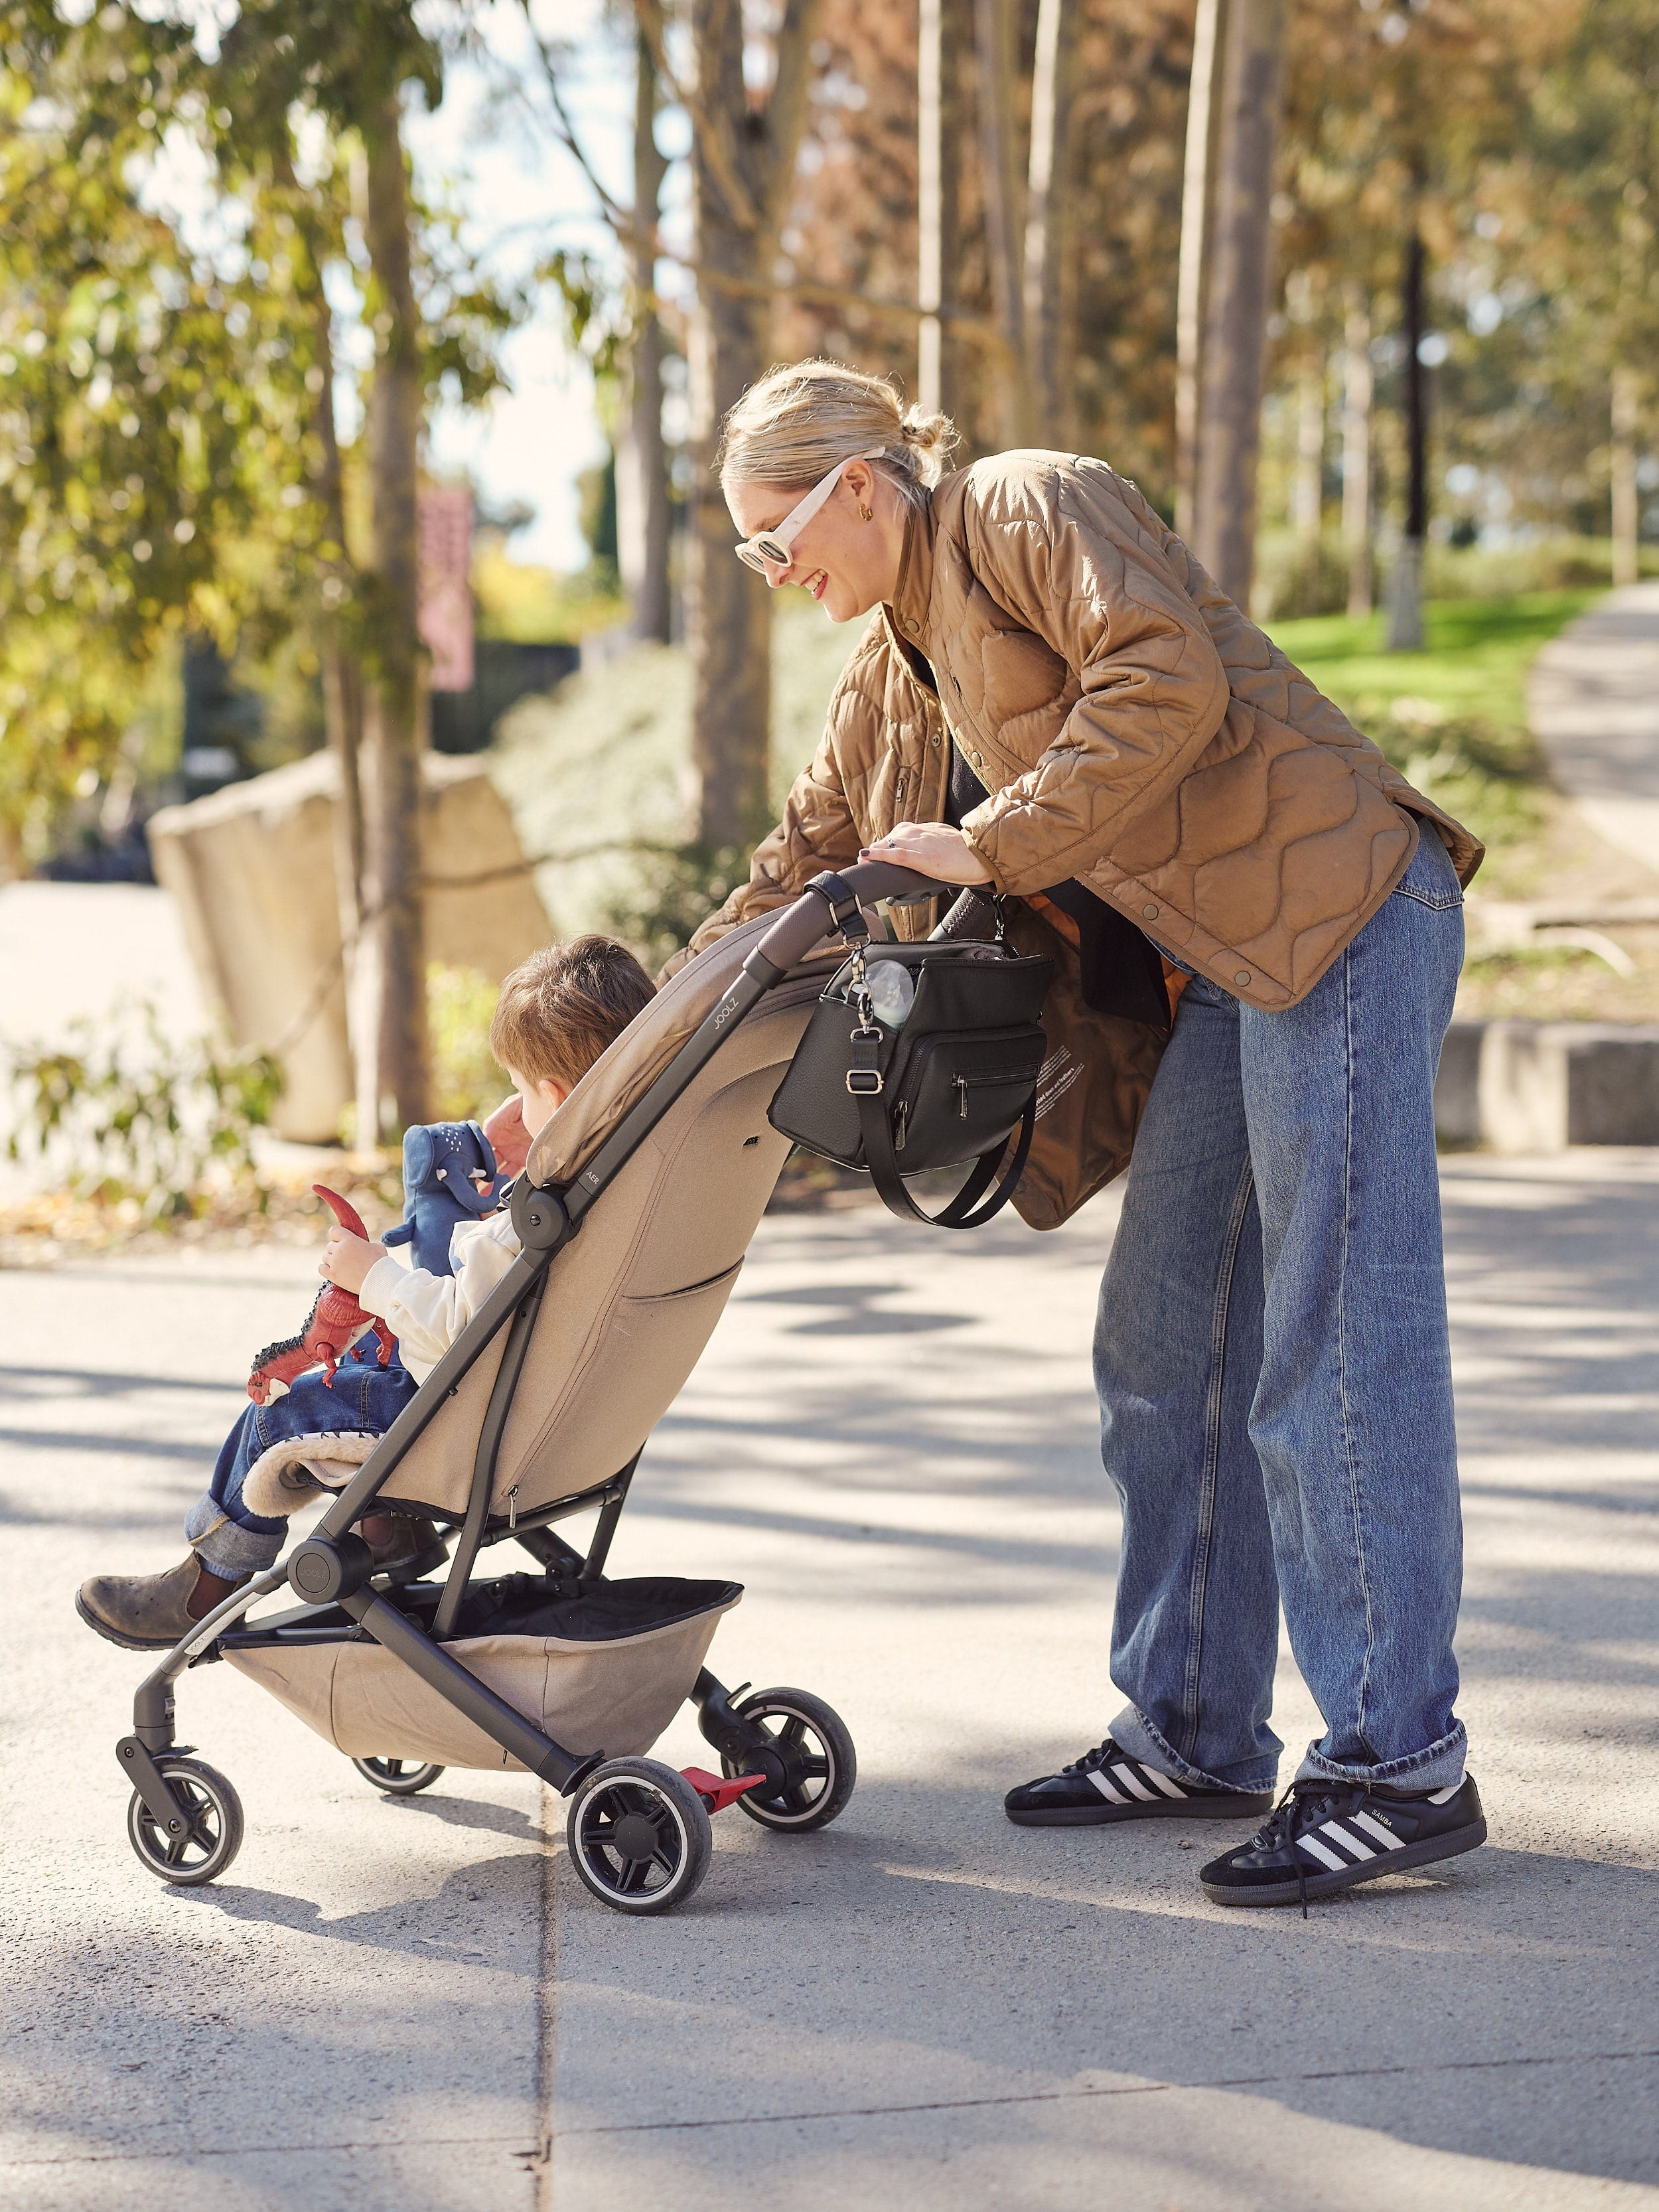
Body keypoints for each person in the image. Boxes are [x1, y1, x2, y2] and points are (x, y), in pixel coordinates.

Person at [682, 357, 1488, 1909]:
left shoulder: (1026, 502)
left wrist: (987, 843)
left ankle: (1399, 1762)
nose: (775, 574)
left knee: (1328, 1340)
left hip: (1340, 915)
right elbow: (813, 858)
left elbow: (1164, 679)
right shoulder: (891, 663)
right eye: (750, 554)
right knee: (1162, 1340)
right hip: (1232, 978)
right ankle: (1192, 1724)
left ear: (860, 483)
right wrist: (656, 1023)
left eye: (774, 536)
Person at [76, 936, 654, 1652]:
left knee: (282, 1408)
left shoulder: (535, 1221)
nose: (512, 1105)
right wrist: (545, 1139)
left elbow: (454, 1331)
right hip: (572, 1426)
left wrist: (370, 1275)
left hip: (469, 1432)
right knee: (357, 1380)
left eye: (519, 1086)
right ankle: (387, 1529)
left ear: (558, 1098)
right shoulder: (632, 1183)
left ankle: (210, 1580)